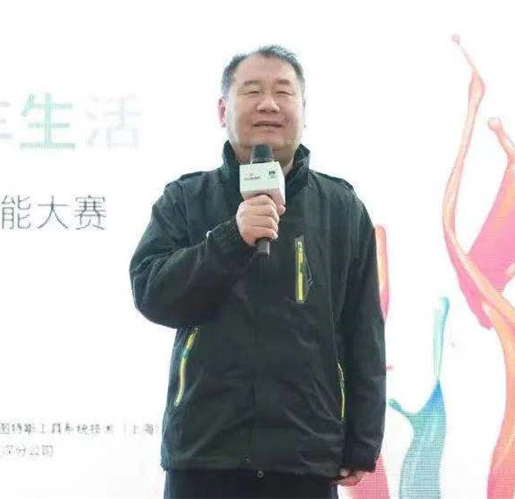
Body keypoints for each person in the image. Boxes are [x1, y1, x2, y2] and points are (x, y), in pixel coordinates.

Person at [130, 45, 385, 499]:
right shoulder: (185, 199)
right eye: (252, 91)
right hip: (206, 454)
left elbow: (363, 328)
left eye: (283, 92)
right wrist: (232, 238)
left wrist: (362, 439)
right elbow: (153, 293)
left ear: (303, 110)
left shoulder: (341, 208)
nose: (269, 104)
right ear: (222, 110)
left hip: (305, 456)